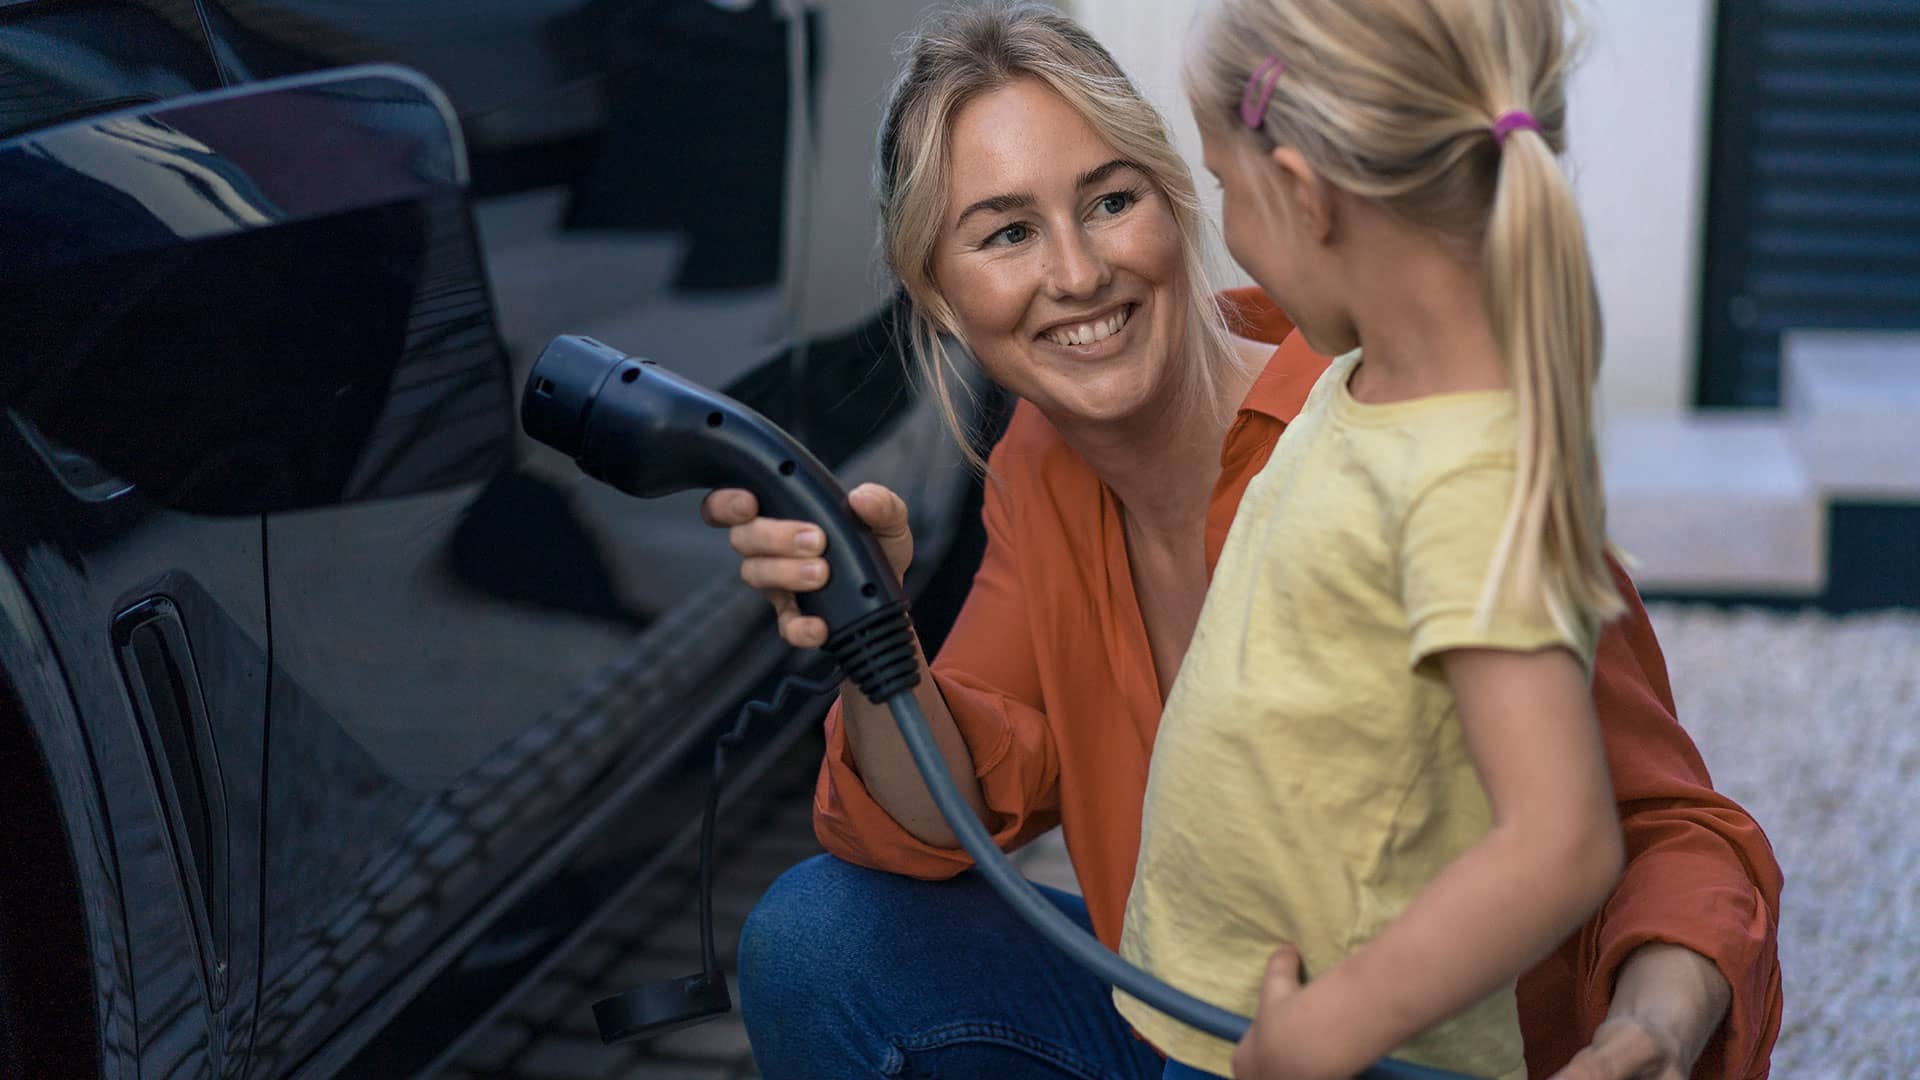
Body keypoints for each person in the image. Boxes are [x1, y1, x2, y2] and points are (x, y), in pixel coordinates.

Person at [704, 3, 1783, 1078]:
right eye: (1008, 232)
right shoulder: (1043, 462)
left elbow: (1659, 831)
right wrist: (871, 626)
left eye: (1110, 201)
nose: (1078, 274)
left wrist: (1646, 1032)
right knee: (818, 940)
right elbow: (948, 817)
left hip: (1403, 1050)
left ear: (1182, 202)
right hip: (1201, 1029)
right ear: (939, 296)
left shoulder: (1396, 438)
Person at [1111, 1, 1641, 1077]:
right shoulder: (1372, 381)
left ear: (1304, 195)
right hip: (1213, 1019)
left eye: (1222, 188)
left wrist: (1337, 1025)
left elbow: (1565, 838)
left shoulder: (1466, 474)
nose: (1226, 230)